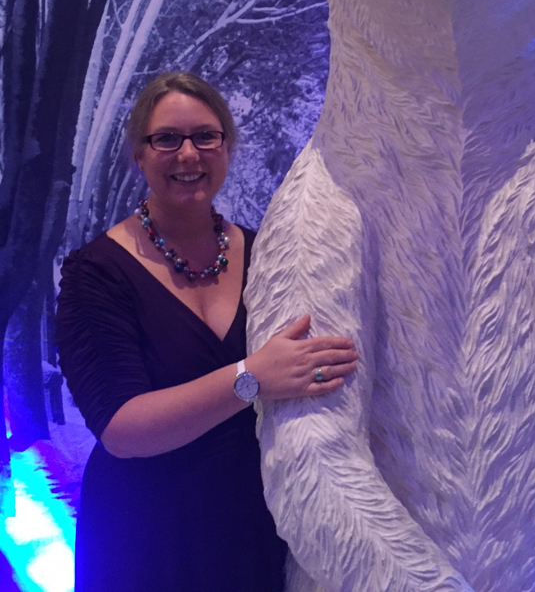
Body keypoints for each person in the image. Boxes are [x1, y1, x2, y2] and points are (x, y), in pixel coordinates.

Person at [56, 71, 359, 592]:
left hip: (252, 526)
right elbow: (122, 430)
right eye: (167, 139)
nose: (188, 154)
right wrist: (251, 378)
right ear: (139, 155)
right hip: (144, 534)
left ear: (227, 148)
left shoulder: (270, 255)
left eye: (205, 136)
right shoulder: (96, 273)